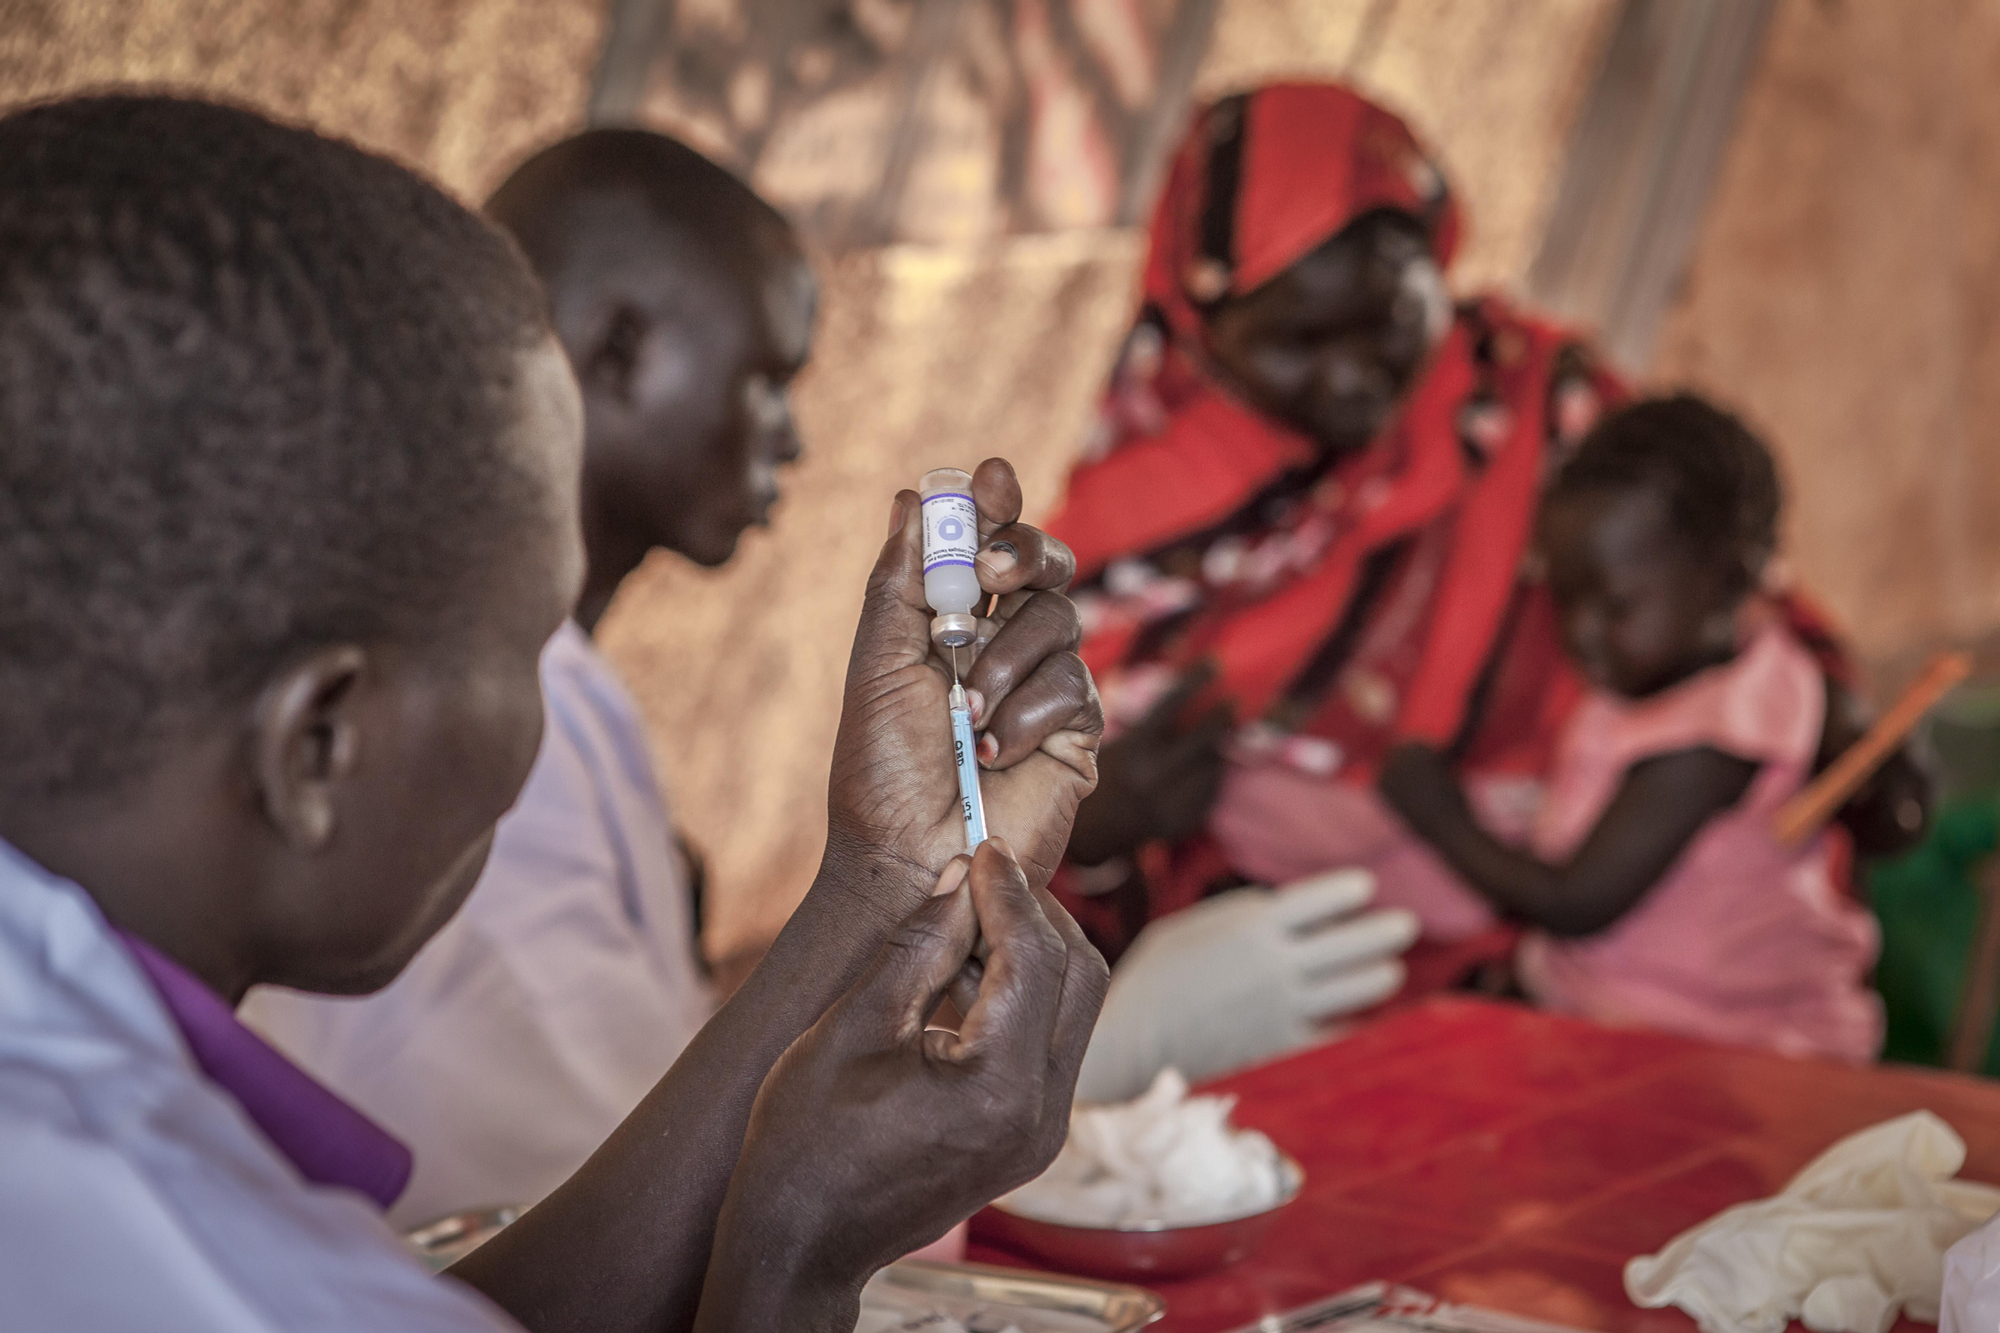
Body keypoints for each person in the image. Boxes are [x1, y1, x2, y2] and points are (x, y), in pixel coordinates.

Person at [0, 94, 1106, 1332]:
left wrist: (883, 880)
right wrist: (793, 1253)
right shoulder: (138, 1249)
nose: (552, 704)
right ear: (319, 746)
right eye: (528, 651)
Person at [1043, 83, 1924, 1069]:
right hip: (1268, 1017)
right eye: (1295, 339)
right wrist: (1096, 828)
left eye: (1387, 315)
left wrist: (1846, 723)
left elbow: (1741, 605)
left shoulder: (1543, 410)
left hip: (1595, 984)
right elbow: (1007, 868)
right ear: (1199, 323)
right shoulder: (1129, 530)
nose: (1352, 373)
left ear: (1439, 257)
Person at [242, 128, 809, 1227]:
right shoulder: (471, 712)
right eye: (768, 381)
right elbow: (607, 1206)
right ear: (619, 352)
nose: (793, 442)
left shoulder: (558, 676)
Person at [1378, 396, 1883, 1060]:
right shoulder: (1672, 671)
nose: (1580, 632)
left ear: (1726, 577)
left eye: (1614, 606)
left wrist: (1440, 814)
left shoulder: (1710, 745)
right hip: (1617, 1003)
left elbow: (1576, 901)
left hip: (1719, 1046)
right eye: (1564, 599)